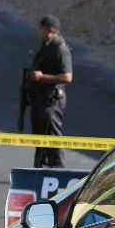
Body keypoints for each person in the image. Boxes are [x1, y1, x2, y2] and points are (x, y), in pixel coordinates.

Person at [27, 15, 72, 168]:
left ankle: (58, 169)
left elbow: (67, 76)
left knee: (52, 135)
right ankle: (41, 167)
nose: (39, 31)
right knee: (40, 136)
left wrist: (42, 77)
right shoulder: (46, 46)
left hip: (52, 100)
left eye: (41, 28)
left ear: (51, 30)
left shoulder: (60, 49)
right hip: (41, 99)